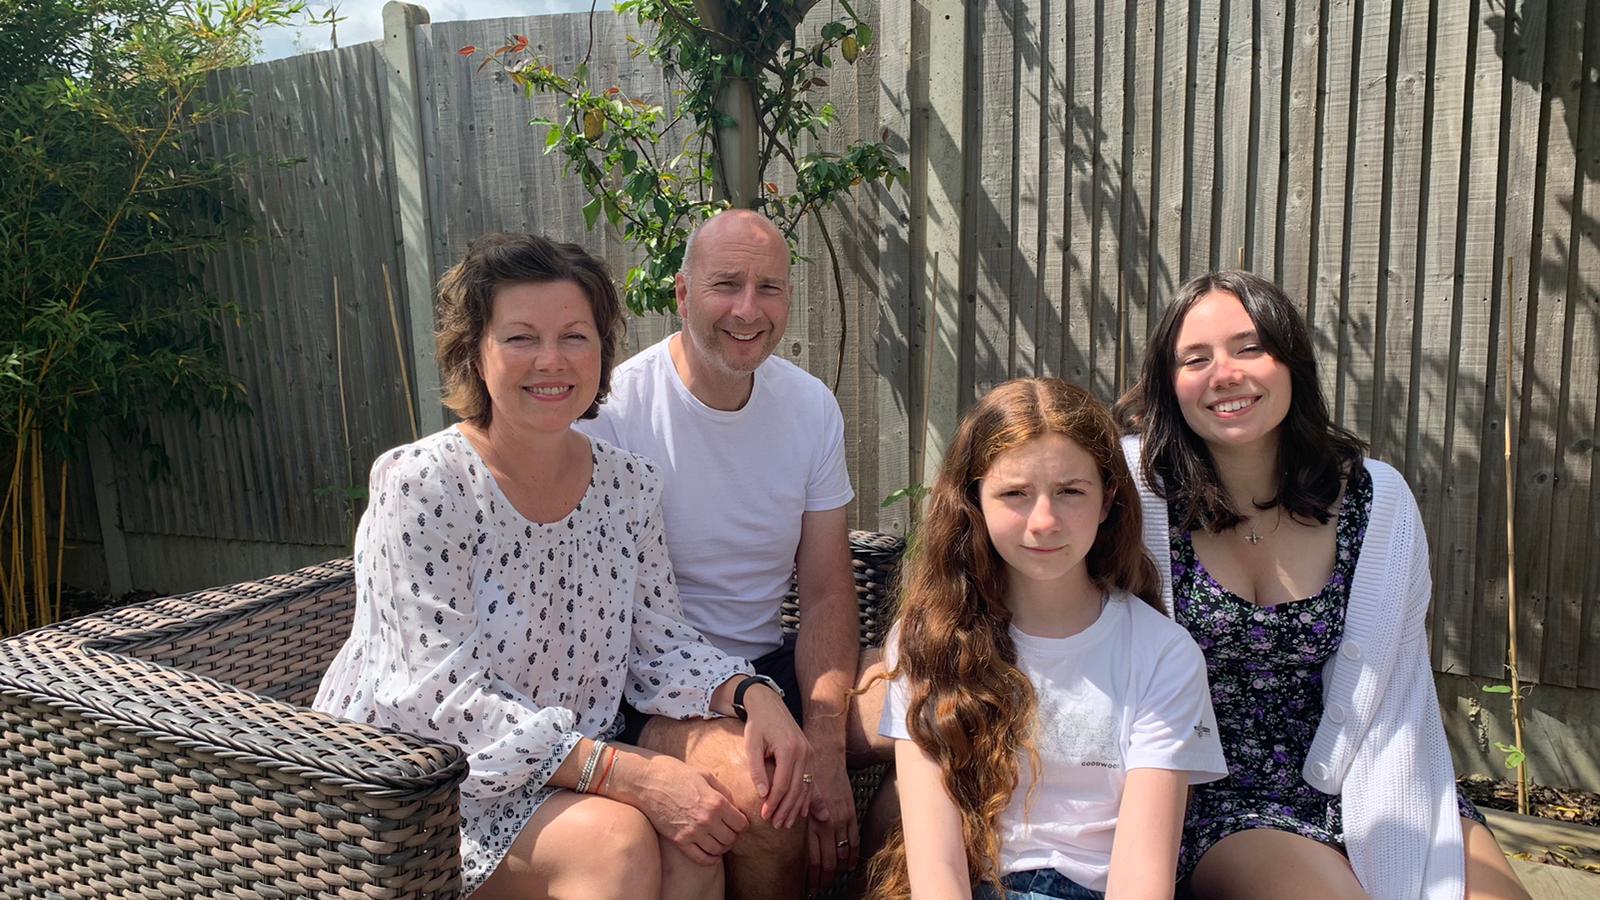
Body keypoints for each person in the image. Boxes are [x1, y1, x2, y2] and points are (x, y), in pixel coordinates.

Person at [312, 232, 812, 899]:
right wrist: (630, 774)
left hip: (563, 772)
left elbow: (659, 644)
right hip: (423, 791)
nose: (551, 360)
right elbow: (434, 701)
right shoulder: (424, 485)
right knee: (619, 841)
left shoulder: (627, 486)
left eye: (575, 337)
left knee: (697, 839)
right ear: (475, 351)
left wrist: (752, 696)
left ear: (602, 352)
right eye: (521, 338)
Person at [1115, 270, 1531, 900]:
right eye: (1194, 359)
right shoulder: (1134, 492)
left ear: (1291, 363)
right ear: (1170, 385)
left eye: (1249, 348)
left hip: (1375, 771)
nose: (1224, 374)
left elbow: (1397, 683)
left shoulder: (1376, 497)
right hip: (1219, 795)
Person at [576, 208, 893, 896]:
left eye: (770, 287)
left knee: (945, 710)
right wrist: (790, 748)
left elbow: (828, 593)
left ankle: (881, 885)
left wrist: (827, 743)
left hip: (769, 662)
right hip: (661, 690)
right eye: (727, 284)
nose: (749, 309)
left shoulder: (810, 408)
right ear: (684, 294)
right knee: (765, 794)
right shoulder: (615, 413)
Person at [870, 377, 1228, 900]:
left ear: (1107, 500)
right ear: (975, 501)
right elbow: (936, 870)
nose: (1044, 522)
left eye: (1070, 492)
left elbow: (1142, 881)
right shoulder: (928, 640)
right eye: (1015, 493)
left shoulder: (1162, 655)